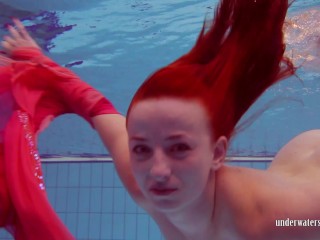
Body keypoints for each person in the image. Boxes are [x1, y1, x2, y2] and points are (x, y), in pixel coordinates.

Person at [1, 0, 320, 240]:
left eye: (179, 148)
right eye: (140, 148)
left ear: (217, 154)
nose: (157, 171)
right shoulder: (139, 174)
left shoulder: (272, 219)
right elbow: (93, 104)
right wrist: (37, 61)